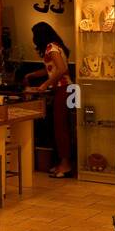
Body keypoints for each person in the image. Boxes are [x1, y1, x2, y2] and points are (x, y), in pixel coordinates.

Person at [25, 22, 75, 178]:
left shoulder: (50, 48)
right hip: (69, 89)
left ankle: (66, 165)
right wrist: (32, 75)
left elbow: (61, 69)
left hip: (63, 89)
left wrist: (46, 84)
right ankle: (63, 162)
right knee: (63, 126)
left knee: (61, 127)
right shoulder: (56, 46)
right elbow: (51, 69)